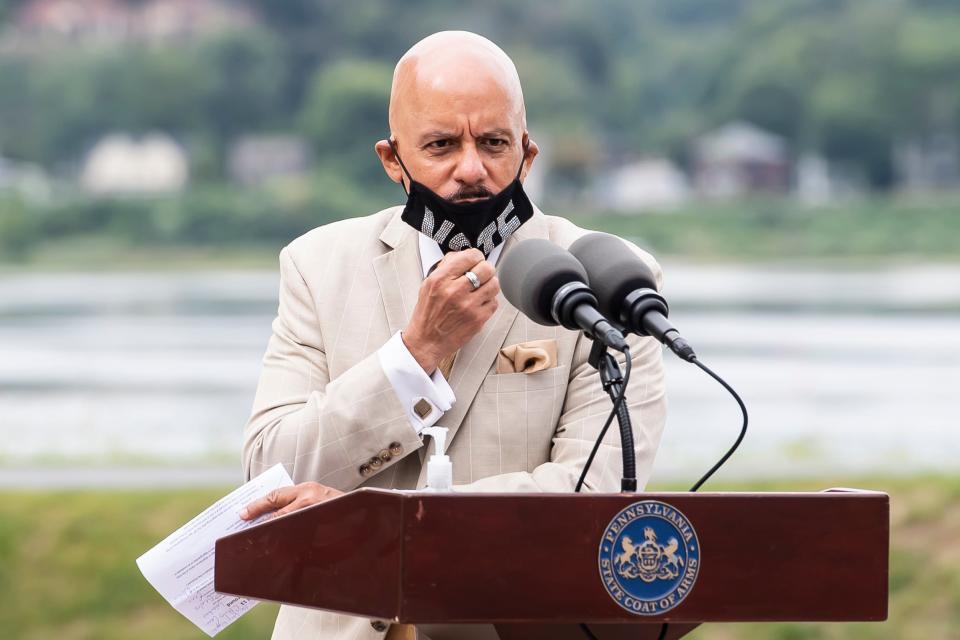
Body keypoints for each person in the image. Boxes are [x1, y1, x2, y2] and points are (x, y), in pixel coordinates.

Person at [239, 30, 667, 640]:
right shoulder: (317, 265)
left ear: (527, 154)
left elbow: (592, 495)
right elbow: (269, 475)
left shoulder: (608, 278)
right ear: (393, 160)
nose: (472, 170)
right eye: (441, 145)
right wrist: (415, 354)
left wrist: (381, 524)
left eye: (493, 143)